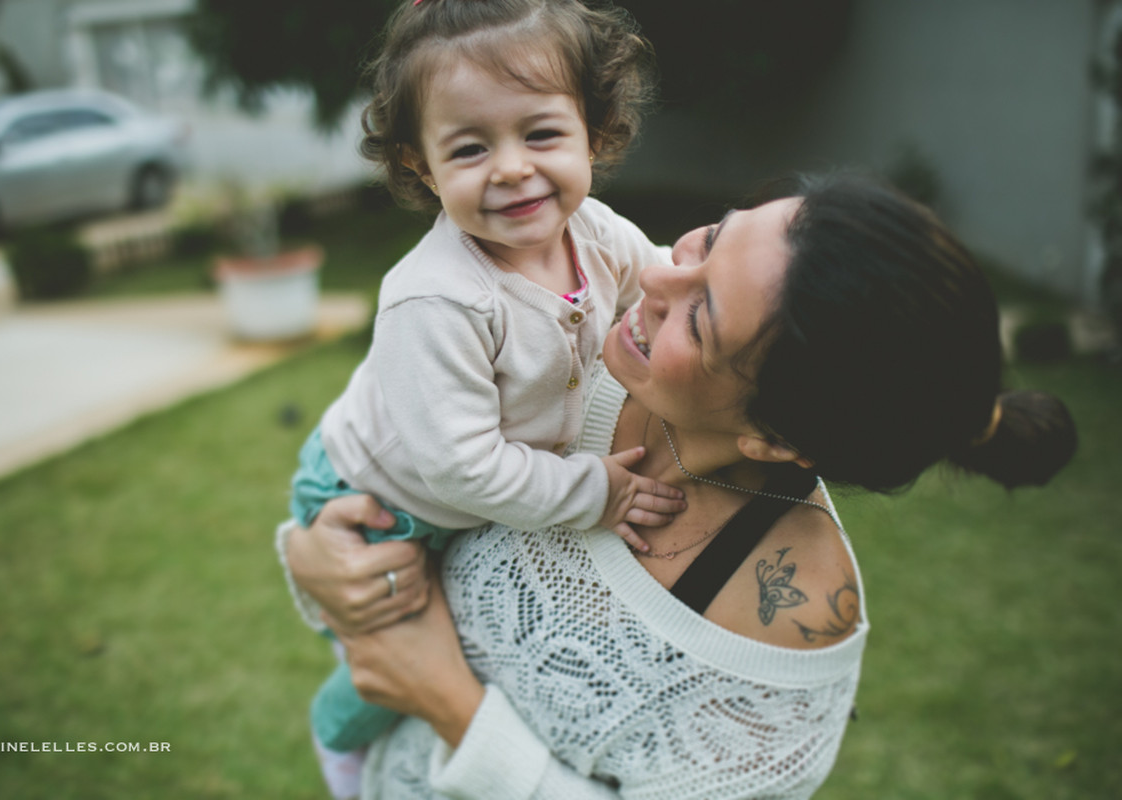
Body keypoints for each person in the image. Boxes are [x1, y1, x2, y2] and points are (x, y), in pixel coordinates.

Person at [279, 174, 1078, 798]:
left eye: (699, 319)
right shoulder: (572, 318)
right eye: (712, 237)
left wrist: (450, 703)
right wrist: (317, 562)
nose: (657, 277)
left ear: (776, 439)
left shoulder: (783, 642)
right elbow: (380, 458)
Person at [284, 0, 685, 795]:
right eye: (469, 148)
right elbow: (462, 470)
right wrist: (595, 492)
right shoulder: (437, 298)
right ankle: (339, 740)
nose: (509, 168)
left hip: (456, 483)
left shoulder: (598, 235)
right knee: (403, 647)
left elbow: (665, 283)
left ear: (592, 130)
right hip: (377, 498)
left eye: (541, 134)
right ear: (421, 165)